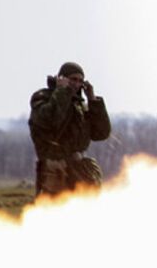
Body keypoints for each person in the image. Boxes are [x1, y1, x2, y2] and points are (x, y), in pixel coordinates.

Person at [29, 62, 111, 196]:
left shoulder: (79, 105)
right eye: (73, 79)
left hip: (79, 170)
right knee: (53, 210)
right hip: (55, 170)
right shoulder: (43, 97)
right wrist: (62, 91)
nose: (77, 84)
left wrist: (93, 100)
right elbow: (52, 120)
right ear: (61, 78)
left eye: (80, 81)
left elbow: (101, 133)